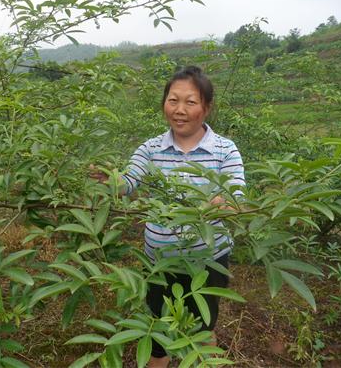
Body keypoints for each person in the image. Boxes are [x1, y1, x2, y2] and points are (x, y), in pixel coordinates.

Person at [91, 66, 245, 367]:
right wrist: (108, 180)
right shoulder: (150, 149)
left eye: (191, 102)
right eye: (173, 100)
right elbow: (128, 182)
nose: (180, 110)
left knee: (202, 330)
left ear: (207, 108)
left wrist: (203, 205)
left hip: (208, 261)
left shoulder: (225, 150)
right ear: (164, 103)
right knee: (157, 333)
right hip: (158, 262)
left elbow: (234, 199)